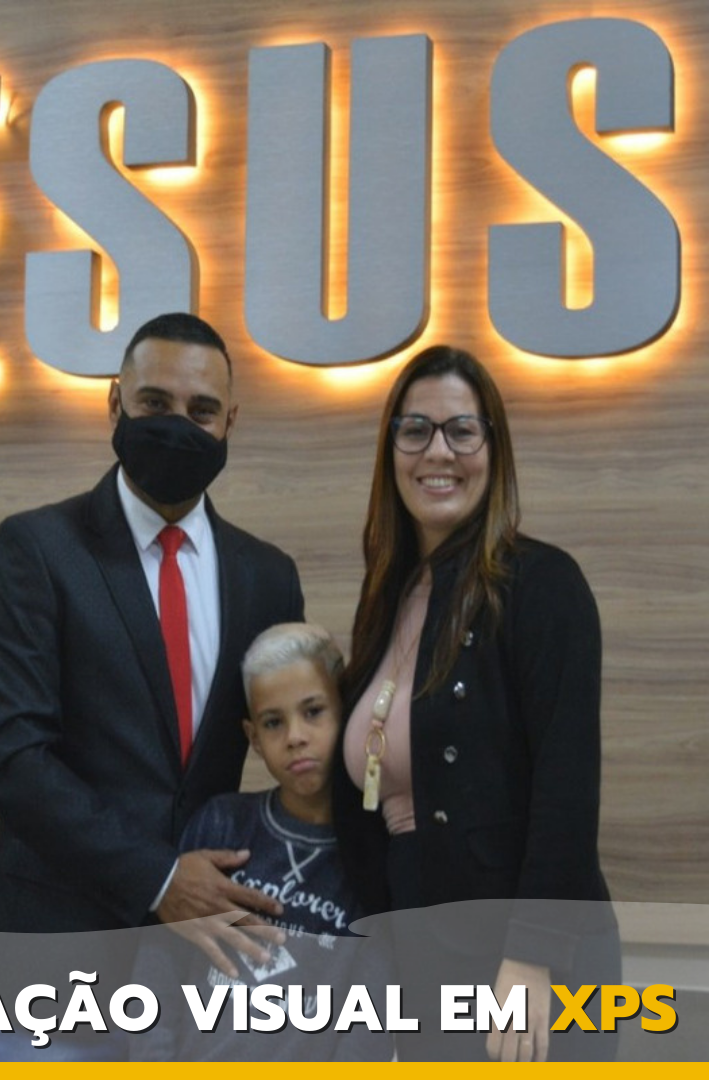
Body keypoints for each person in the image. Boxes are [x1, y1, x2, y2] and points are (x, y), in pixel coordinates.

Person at [0, 312, 305, 1060]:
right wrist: (158, 879)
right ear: (114, 402)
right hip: (51, 971)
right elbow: (11, 758)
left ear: (230, 423)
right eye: (155, 403)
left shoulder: (268, 578)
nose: (178, 426)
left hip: (200, 980)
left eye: (202, 411)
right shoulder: (38, 549)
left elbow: (290, 750)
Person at [334, 344, 619, 1062]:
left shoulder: (541, 584)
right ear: (391, 452)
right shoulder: (391, 598)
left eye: (463, 430)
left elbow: (566, 785)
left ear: (494, 449)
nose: (439, 451)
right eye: (416, 430)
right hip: (422, 943)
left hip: (520, 963)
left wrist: (532, 957)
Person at [131, 622, 393, 1061]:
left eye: (313, 712)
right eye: (274, 722)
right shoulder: (221, 824)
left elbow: (372, 1018)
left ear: (347, 710)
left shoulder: (374, 854)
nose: (295, 737)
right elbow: (158, 974)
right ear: (253, 737)